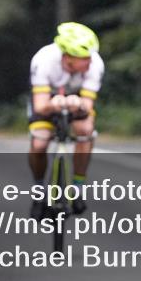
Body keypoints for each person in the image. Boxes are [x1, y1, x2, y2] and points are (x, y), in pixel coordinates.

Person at [28, 22, 104, 218]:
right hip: (47, 99)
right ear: (68, 58)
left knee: (85, 131)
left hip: (77, 99)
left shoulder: (95, 64)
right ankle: (38, 191)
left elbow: (87, 105)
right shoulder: (43, 60)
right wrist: (54, 104)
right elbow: (40, 106)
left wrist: (77, 104)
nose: (89, 62)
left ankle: (77, 188)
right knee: (39, 142)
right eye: (83, 59)